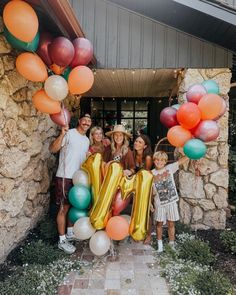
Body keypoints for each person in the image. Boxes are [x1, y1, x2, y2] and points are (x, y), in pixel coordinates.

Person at [49, 113, 92, 254]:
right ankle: (62, 241)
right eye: (84, 120)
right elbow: (53, 149)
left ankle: (69, 233)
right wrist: (62, 134)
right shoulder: (70, 133)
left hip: (78, 179)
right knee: (63, 208)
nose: (86, 122)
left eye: (89, 121)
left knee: (73, 206)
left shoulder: (86, 141)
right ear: (79, 121)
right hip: (65, 176)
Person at [152, 151, 188, 253]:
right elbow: (150, 191)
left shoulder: (169, 168)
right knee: (159, 224)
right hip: (159, 203)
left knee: (171, 223)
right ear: (154, 161)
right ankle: (160, 246)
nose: (159, 162)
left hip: (171, 202)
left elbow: (183, 160)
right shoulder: (151, 174)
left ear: (165, 161)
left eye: (162, 160)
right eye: (157, 160)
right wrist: (150, 204)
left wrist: (191, 153)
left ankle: (171, 244)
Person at [133, 134, 153, 244]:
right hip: (137, 185)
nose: (137, 143)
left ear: (145, 146)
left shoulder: (148, 158)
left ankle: (149, 235)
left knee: (146, 211)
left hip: (146, 186)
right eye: (136, 141)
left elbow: (146, 175)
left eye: (140, 142)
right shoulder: (133, 155)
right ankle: (138, 231)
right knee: (137, 210)